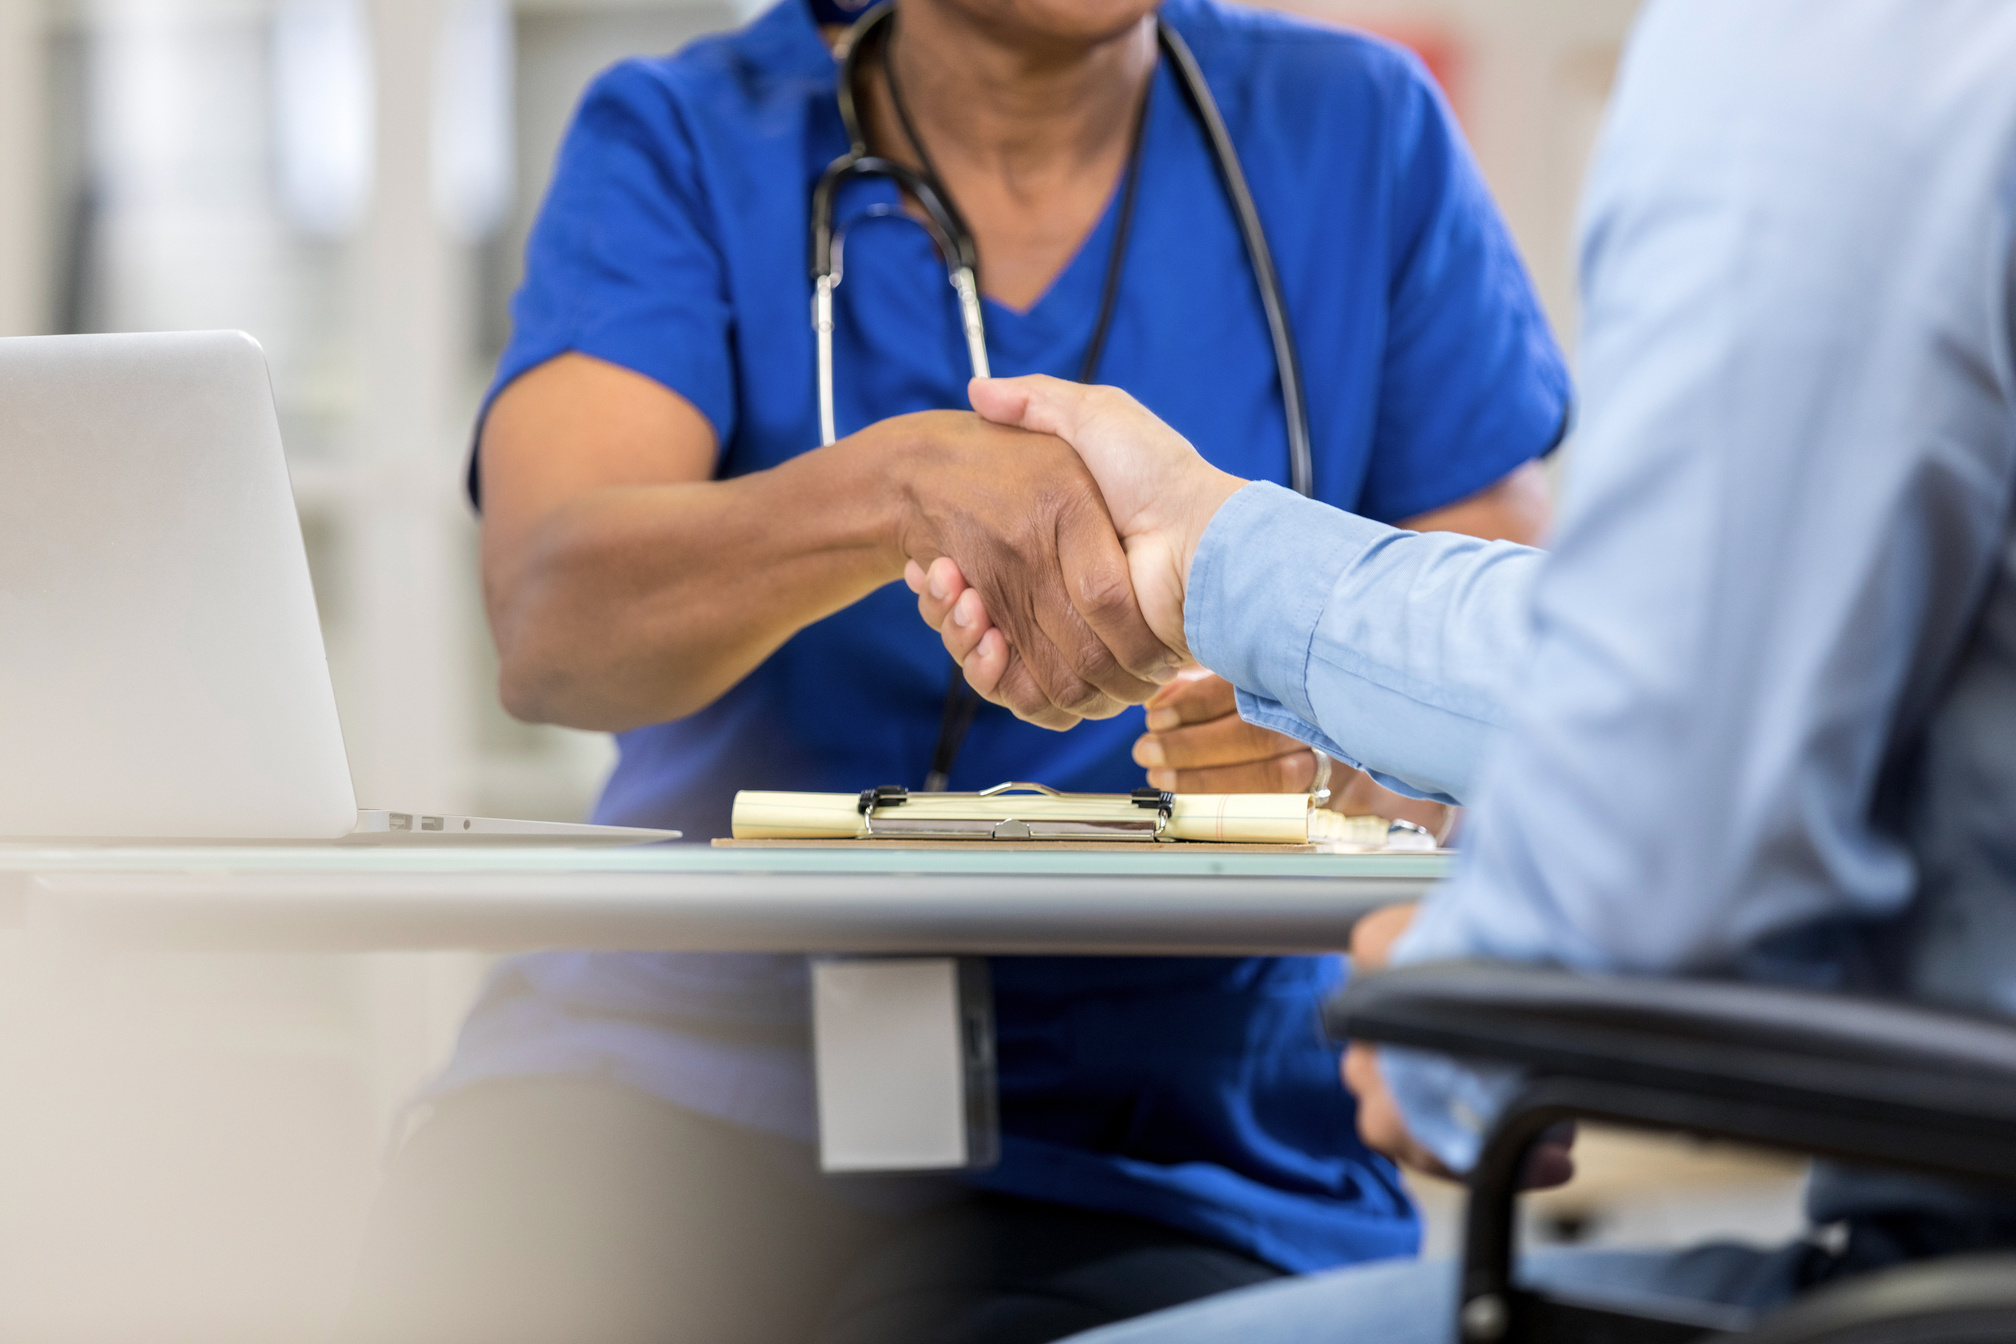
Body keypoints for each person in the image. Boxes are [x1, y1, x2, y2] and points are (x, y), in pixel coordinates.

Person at [337, 0, 1571, 1341]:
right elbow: (551, 622)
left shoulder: (1358, 133)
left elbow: (1508, 674)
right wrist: (899, 484)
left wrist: (1337, 757)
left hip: (1175, 1127)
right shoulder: (690, 136)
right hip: (677, 1061)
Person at [908, 0, 2016, 1337]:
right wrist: (1212, 555)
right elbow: (1668, 647)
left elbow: (1670, 813)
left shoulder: (1821, 51)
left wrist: (1460, 1011)